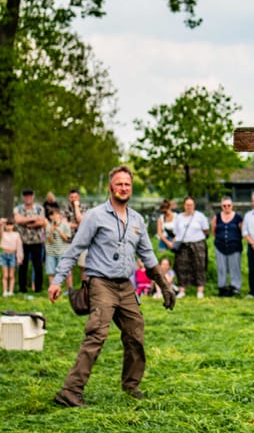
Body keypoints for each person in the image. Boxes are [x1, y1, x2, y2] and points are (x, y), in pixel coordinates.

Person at [48, 165, 175, 408]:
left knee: (136, 334)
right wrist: (57, 281)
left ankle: (131, 384)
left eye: (127, 184)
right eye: (119, 184)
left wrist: (165, 286)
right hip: (101, 284)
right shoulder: (95, 216)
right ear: (110, 187)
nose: (123, 188)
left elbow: (148, 257)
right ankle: (70, 391)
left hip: (126, 287)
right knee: (97, 334)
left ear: (131, 187)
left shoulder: (137, 220)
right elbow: (74, 250)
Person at [173, 196, 210, 299]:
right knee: (181, 267)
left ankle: (200, 290)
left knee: (199, 266)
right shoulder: (179, 217)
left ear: (194, 205)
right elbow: (176, 232)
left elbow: (206, 231)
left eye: (191, 205)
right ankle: (182, 290)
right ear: (184, 205)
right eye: (187, 205)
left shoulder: (200, 216)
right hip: (183, 245)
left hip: (198, 243)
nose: (189, 207)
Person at [13, 188, 46, 293]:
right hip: (22, 241)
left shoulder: (39, 208)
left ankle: (38, 288)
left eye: (30, 195)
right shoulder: (18, 209)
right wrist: (33, 220)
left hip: (36, 241)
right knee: (22, 265)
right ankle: (22, 288)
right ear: (23, 197)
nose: (28, 197)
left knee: (38, 265)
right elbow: (18, 220)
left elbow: (42, 222)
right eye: (26, 195)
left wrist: (25, 222)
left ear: (33, 196)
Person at [212, 196, 243, 297]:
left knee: (235, 267)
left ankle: (235, 287)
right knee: (221, 268)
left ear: (232, 206)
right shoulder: (217, 217)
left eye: (228, 205)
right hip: (220, 245)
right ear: (221, 206)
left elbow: (242, 231)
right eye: (224, 205)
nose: (226, 207)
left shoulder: (238, 217)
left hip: (234, 246)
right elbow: (214, 231)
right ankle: (222, 287)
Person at [63, 189, 89, 282]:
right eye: (71, 197)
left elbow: (82, 221)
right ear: (68, 198)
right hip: (68, 241)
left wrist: (77, 207)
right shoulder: (64, 209)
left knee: (84, 266)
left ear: (79, 198)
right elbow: (64, 225)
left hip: (82, 241)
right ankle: (69, 289)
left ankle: (84, 288)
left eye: (75, 197)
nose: (73, 199)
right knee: (69, 266)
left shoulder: (85, 208)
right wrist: (78, 225)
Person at [45, 208, 72, 291]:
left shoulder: (65, 225)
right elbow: (50, 241)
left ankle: (69, 290)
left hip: (63, 252)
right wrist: (52, 231)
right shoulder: (48, 226)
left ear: (59, 215)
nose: (55, 216)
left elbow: (67, 238)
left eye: (56, 214)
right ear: (50, 217)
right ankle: (52, 290)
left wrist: (60, 231)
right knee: (51, 272)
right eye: (52, 215)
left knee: (66, 272)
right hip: (51, 253)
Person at [1, 218, 23, 296]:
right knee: (5, 275)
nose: (9, 227)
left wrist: (19, 257)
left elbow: (19, 247)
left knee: (11, 275)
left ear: (13, 226)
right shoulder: (3, 233)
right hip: (4, 255)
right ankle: (5, 291)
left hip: (12, 255)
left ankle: (11, 291)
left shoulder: (16, 234)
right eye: (7, 225)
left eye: (11, 225)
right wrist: (2, 223)